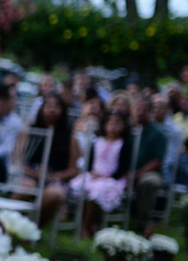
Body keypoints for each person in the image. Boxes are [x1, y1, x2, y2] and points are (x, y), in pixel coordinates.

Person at [17, 94, 81, 228]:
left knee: (55, 195)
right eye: (49, 106)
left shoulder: (71, 138)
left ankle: (34, 227)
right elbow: (18, 159)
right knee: (25, 188)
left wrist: (52, 176)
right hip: (29, 174)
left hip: (55, 179)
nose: (52, 110)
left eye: (57, 106)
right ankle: (10, 225)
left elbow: (73, 170)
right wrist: (32, 172)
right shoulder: (29, 131)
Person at [69, 111, 133, 238]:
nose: (113, 127)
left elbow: (123, 167)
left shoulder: (123, 144)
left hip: (112, 179)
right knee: (77, 186)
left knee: (97, 192)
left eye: (117, 124)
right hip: (94, 176)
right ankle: (81, 221)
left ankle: (86, 225)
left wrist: (107, 176)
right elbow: (90, 161)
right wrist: (92, 172)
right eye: (110, 123)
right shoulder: (97, 141)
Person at [130, 95, 168, 236]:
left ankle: (143, 223)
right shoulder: (127, 129)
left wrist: (137, 174)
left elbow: (157, 161)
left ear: (151, 112)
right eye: (138, 108)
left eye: (144, 109)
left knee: (148, 182)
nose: (140, 112)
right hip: (126, 171)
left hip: (149, 173)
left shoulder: (158, 134)